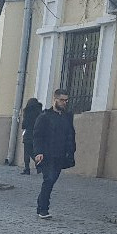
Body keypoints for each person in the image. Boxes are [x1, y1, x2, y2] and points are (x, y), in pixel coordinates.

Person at [33, 88, 76, 219]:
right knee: (49, 179)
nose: (64, 103)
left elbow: (70, 135)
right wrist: (38, 152)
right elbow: (37, 136)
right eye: (62, 100)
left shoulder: (67, 117)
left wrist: (71, 151)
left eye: (66, 100)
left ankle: (41, 206)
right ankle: (43, 209)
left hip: (61, 155)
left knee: (51, 181)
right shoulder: (45, 116)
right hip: (47, 154)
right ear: (55, 100)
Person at [20, 97, 42, 174]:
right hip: (37, 134)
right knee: (35, 151)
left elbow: (24, 124)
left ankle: (27, 168)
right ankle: (39, 165)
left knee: (27, 152)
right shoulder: (40, 112)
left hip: (29, 133)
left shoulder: (27, 111)